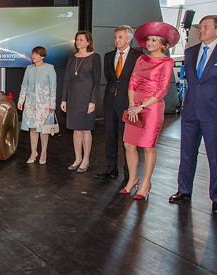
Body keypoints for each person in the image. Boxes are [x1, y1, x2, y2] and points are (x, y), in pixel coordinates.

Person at [169, 15, 217, 214]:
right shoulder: (191, 52)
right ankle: (184, 190)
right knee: (187, 154)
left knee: (216, 157)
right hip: (190, 112)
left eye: (206, 27)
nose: (201, 31)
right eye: (200, 27)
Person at [119, 22, 178, 200]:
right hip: (134, 106)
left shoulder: (167, 62)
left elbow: (162, 89)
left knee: (148, 147)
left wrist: (141, 106)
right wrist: (131, 105)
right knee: (129, 144)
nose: (150, 43)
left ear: (163, 44)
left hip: (151, 107)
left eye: (154, 40)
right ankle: (133, 179)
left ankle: (146, 183)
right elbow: (133, 83)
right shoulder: (141, 59)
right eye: (149, 40)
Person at [96, 25, 143, 180]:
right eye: (115, 37)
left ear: (129, 38)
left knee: (128, 139)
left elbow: (139, 80)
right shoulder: (108, 56)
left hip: (128, 102)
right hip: (110, 101)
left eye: (120, 37)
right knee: (110, 136)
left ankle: (129, 173)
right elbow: (110, 78)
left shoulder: (138, 56)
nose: (117, 40)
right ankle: (111, 169)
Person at [61, 31, 101, 173]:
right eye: (77, 39)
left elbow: (97, 81)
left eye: (82, 39)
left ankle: (86, 159)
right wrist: (64, 99)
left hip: (87, 97)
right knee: (76, 130)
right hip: (73, 97)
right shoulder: (72, 58)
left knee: (85, 129)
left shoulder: (95, 57)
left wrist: (93, 101)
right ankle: (78, 158)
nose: (79, 42)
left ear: (88, 42)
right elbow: (66, 79)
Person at [18, 46, 57, 164]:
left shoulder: (50, 68)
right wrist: (21, 101)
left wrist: (52, 104)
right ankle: (33, 152)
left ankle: (43, 152)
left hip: (44, 105)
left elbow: (53, 87)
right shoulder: (29, 69)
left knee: (43, 130)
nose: (33, 56)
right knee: (33, 128)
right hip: (30, 103)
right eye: (32, 53)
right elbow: (24, 85)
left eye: (36, 54)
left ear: (43, 56)